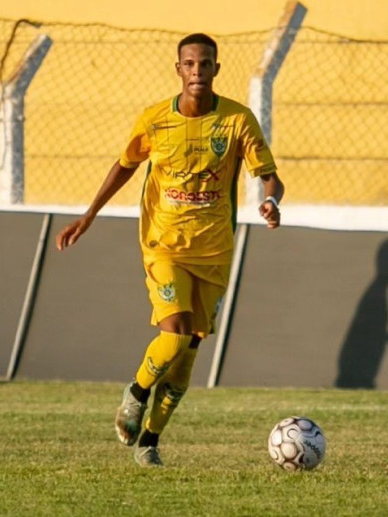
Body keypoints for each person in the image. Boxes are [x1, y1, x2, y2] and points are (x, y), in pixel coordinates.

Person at [56, 33, 284, 467]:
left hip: (214, 250)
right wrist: (88, 215)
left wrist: (271, 201)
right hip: (164, 244)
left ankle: (150, 441)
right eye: (190, 64)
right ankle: (136, 393)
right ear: (178, 69)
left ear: (217, 69)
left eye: (205, 64)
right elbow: (125, 164)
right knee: (174, 333)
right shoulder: (155, 120)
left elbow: (269, 175)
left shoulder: (238, 120)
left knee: (189, 349)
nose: (197, 71)